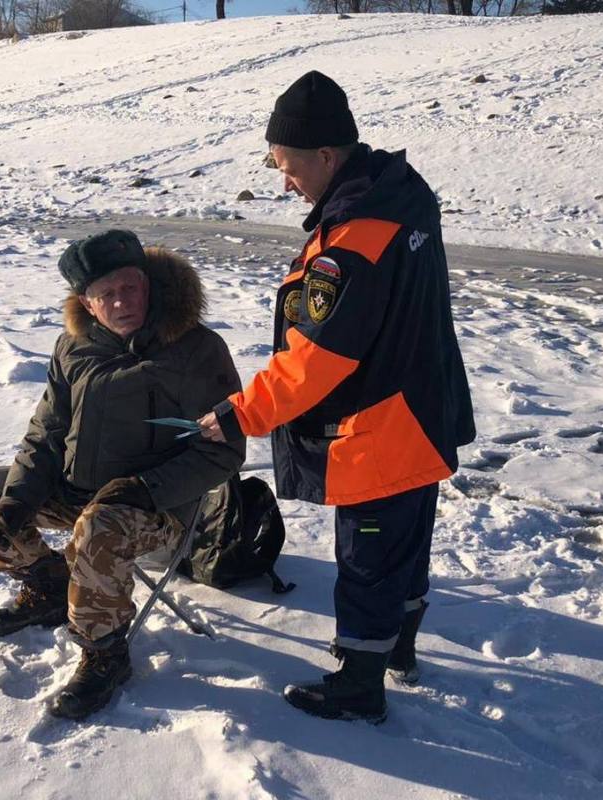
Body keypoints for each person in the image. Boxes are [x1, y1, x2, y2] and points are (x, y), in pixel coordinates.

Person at [199, 71, 476, 723]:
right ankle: (397, 647)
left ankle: (359, 684)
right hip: (424, 411)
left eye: (289, 168)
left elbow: (318, 359)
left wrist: (242, 413)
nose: (285, 183)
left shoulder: (356, 237)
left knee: (368, 558)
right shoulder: (402, 195)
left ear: (326, 155)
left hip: (381, 425)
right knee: (404, 548)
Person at [0, 229, 245, 720]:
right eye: (105, 294)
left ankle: (104, 652)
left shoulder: (196, 349)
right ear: (87, 304)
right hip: (76, 492)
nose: (121, 302)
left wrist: (145, 489)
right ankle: (47, 585)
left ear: (147, 284)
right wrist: (19, 498)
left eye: (129, 287)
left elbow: (224, 452)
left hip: (155, 508)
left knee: (99, 526)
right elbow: (47, 433)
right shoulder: (73, 346)